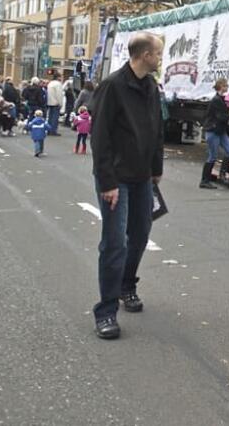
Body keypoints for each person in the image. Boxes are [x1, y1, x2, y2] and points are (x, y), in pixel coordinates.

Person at [90, 32, 165, 340]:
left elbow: (156, 128)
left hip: (143, 177)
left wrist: (156, 169)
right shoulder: (112, 86)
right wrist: (107, 181)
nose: (161, 58)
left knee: (141, 234)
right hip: (116, 179)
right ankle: (106, 312)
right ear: (144, 55)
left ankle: (126, 285)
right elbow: (100, 137)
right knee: (114, 242)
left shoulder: (150, 87)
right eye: (158, 53)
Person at [199, 78, 229, 189]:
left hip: (220, 130)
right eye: (226, 85)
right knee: (212, 156)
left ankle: (222, 173)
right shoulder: (216, 100)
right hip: (213, 130)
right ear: (221, 86)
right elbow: (221, 116)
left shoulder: (221, 99)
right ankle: (204, 180)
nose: (227, 87)